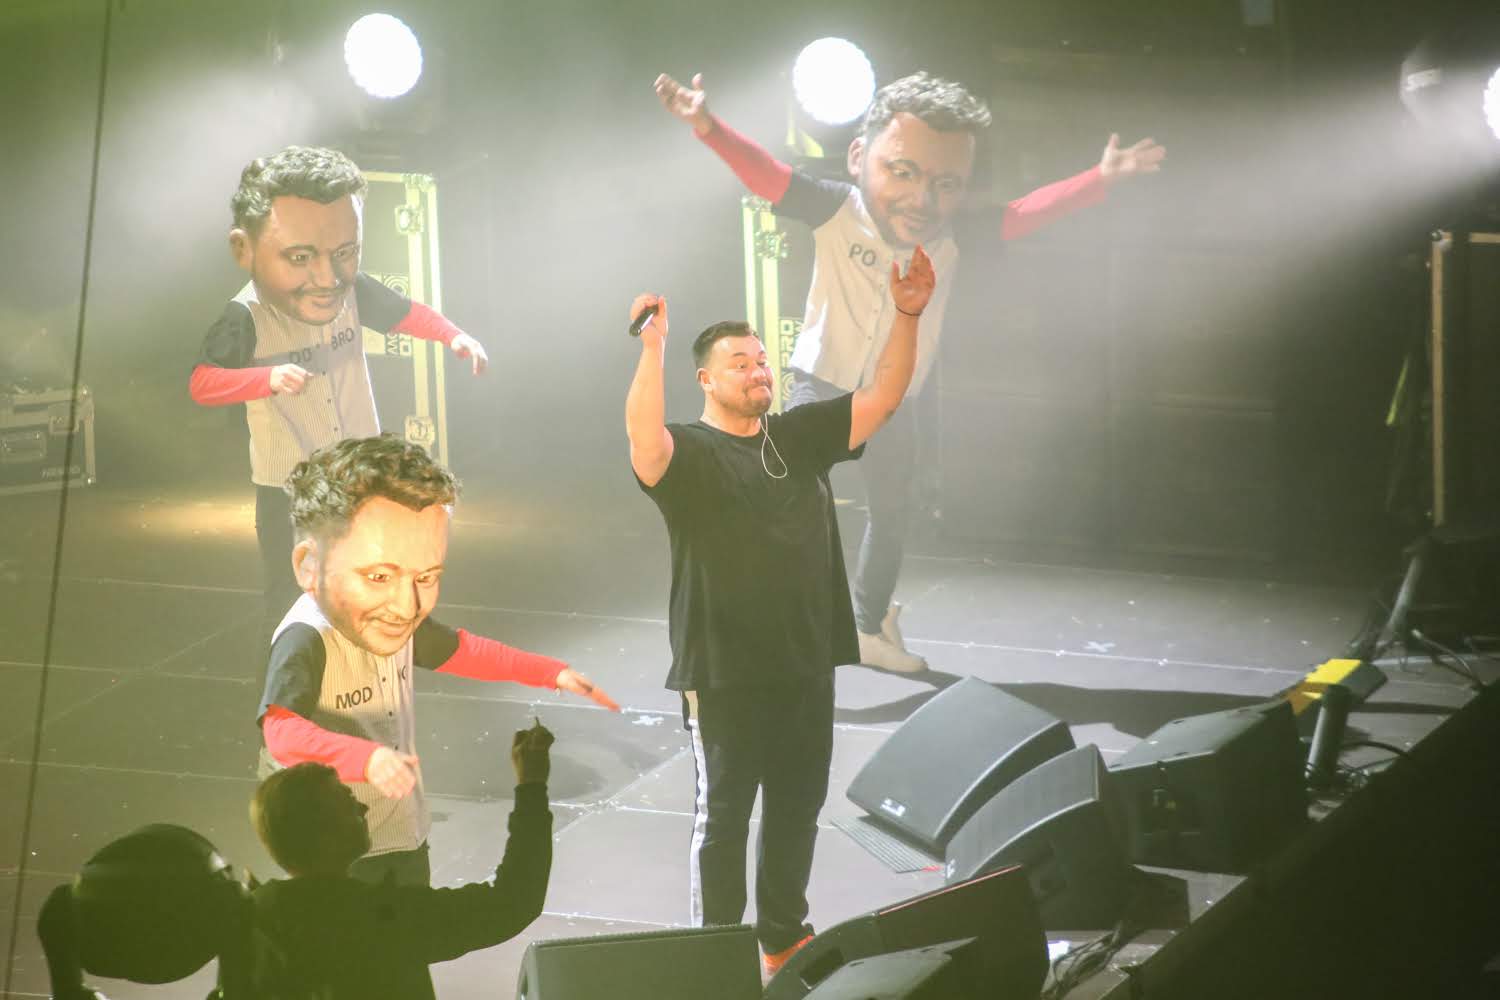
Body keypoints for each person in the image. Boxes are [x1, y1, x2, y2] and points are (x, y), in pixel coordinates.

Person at [654, 70, 1165, 672]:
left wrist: (1099, 179)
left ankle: (867, 624)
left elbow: (1027, 211)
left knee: (893, 513)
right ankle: (778, 623)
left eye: (945, 184)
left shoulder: (957, 234)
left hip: (895, 399)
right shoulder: (834, 208)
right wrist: (706, 125)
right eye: (902, 172)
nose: (922, 200)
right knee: (788, 500)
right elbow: (764, 172)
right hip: (824, 381)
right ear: (858, 158)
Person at [624, 246, 936, 974]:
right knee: (725, 818)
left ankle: (782, 935)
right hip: (724, 672)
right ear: (706, 380)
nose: (758, 371)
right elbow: (643, 438)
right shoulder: (690, 453)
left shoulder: (798, 437)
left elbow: (884, 396)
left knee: (797, 807)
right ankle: (714, 949)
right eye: (740, 363)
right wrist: (653, 346)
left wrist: (907, 314)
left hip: (804, 663)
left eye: (763, 360)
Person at [255, 434, 618, 888]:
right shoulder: (306, 637)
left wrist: (549, 672)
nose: (406, 606)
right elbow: (281, 732)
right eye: (379, 576)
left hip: (401, 830)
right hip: (335, 850)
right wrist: (366, 759)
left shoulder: (394, 621)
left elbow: (461, 650)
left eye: (425, 577)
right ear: (309, 566)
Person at [187, 145, 492, 638]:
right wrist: (265, 378)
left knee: (367, 580)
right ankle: (291, 680)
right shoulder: (246, 316)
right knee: (292, 598)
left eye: (345, 253)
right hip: (289, 486)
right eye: (300, 257)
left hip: (358, 473)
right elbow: (203, 383)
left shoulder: (349, 290)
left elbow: (405, 312)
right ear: (245, 250)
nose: (327, 278)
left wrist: (453, 336)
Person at [249, 721, 555, 1000]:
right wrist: (532, 785)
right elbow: (512, 903)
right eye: (347, 803)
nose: (363, 809)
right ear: (323, 834)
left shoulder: (254, 922)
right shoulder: (388, 920)